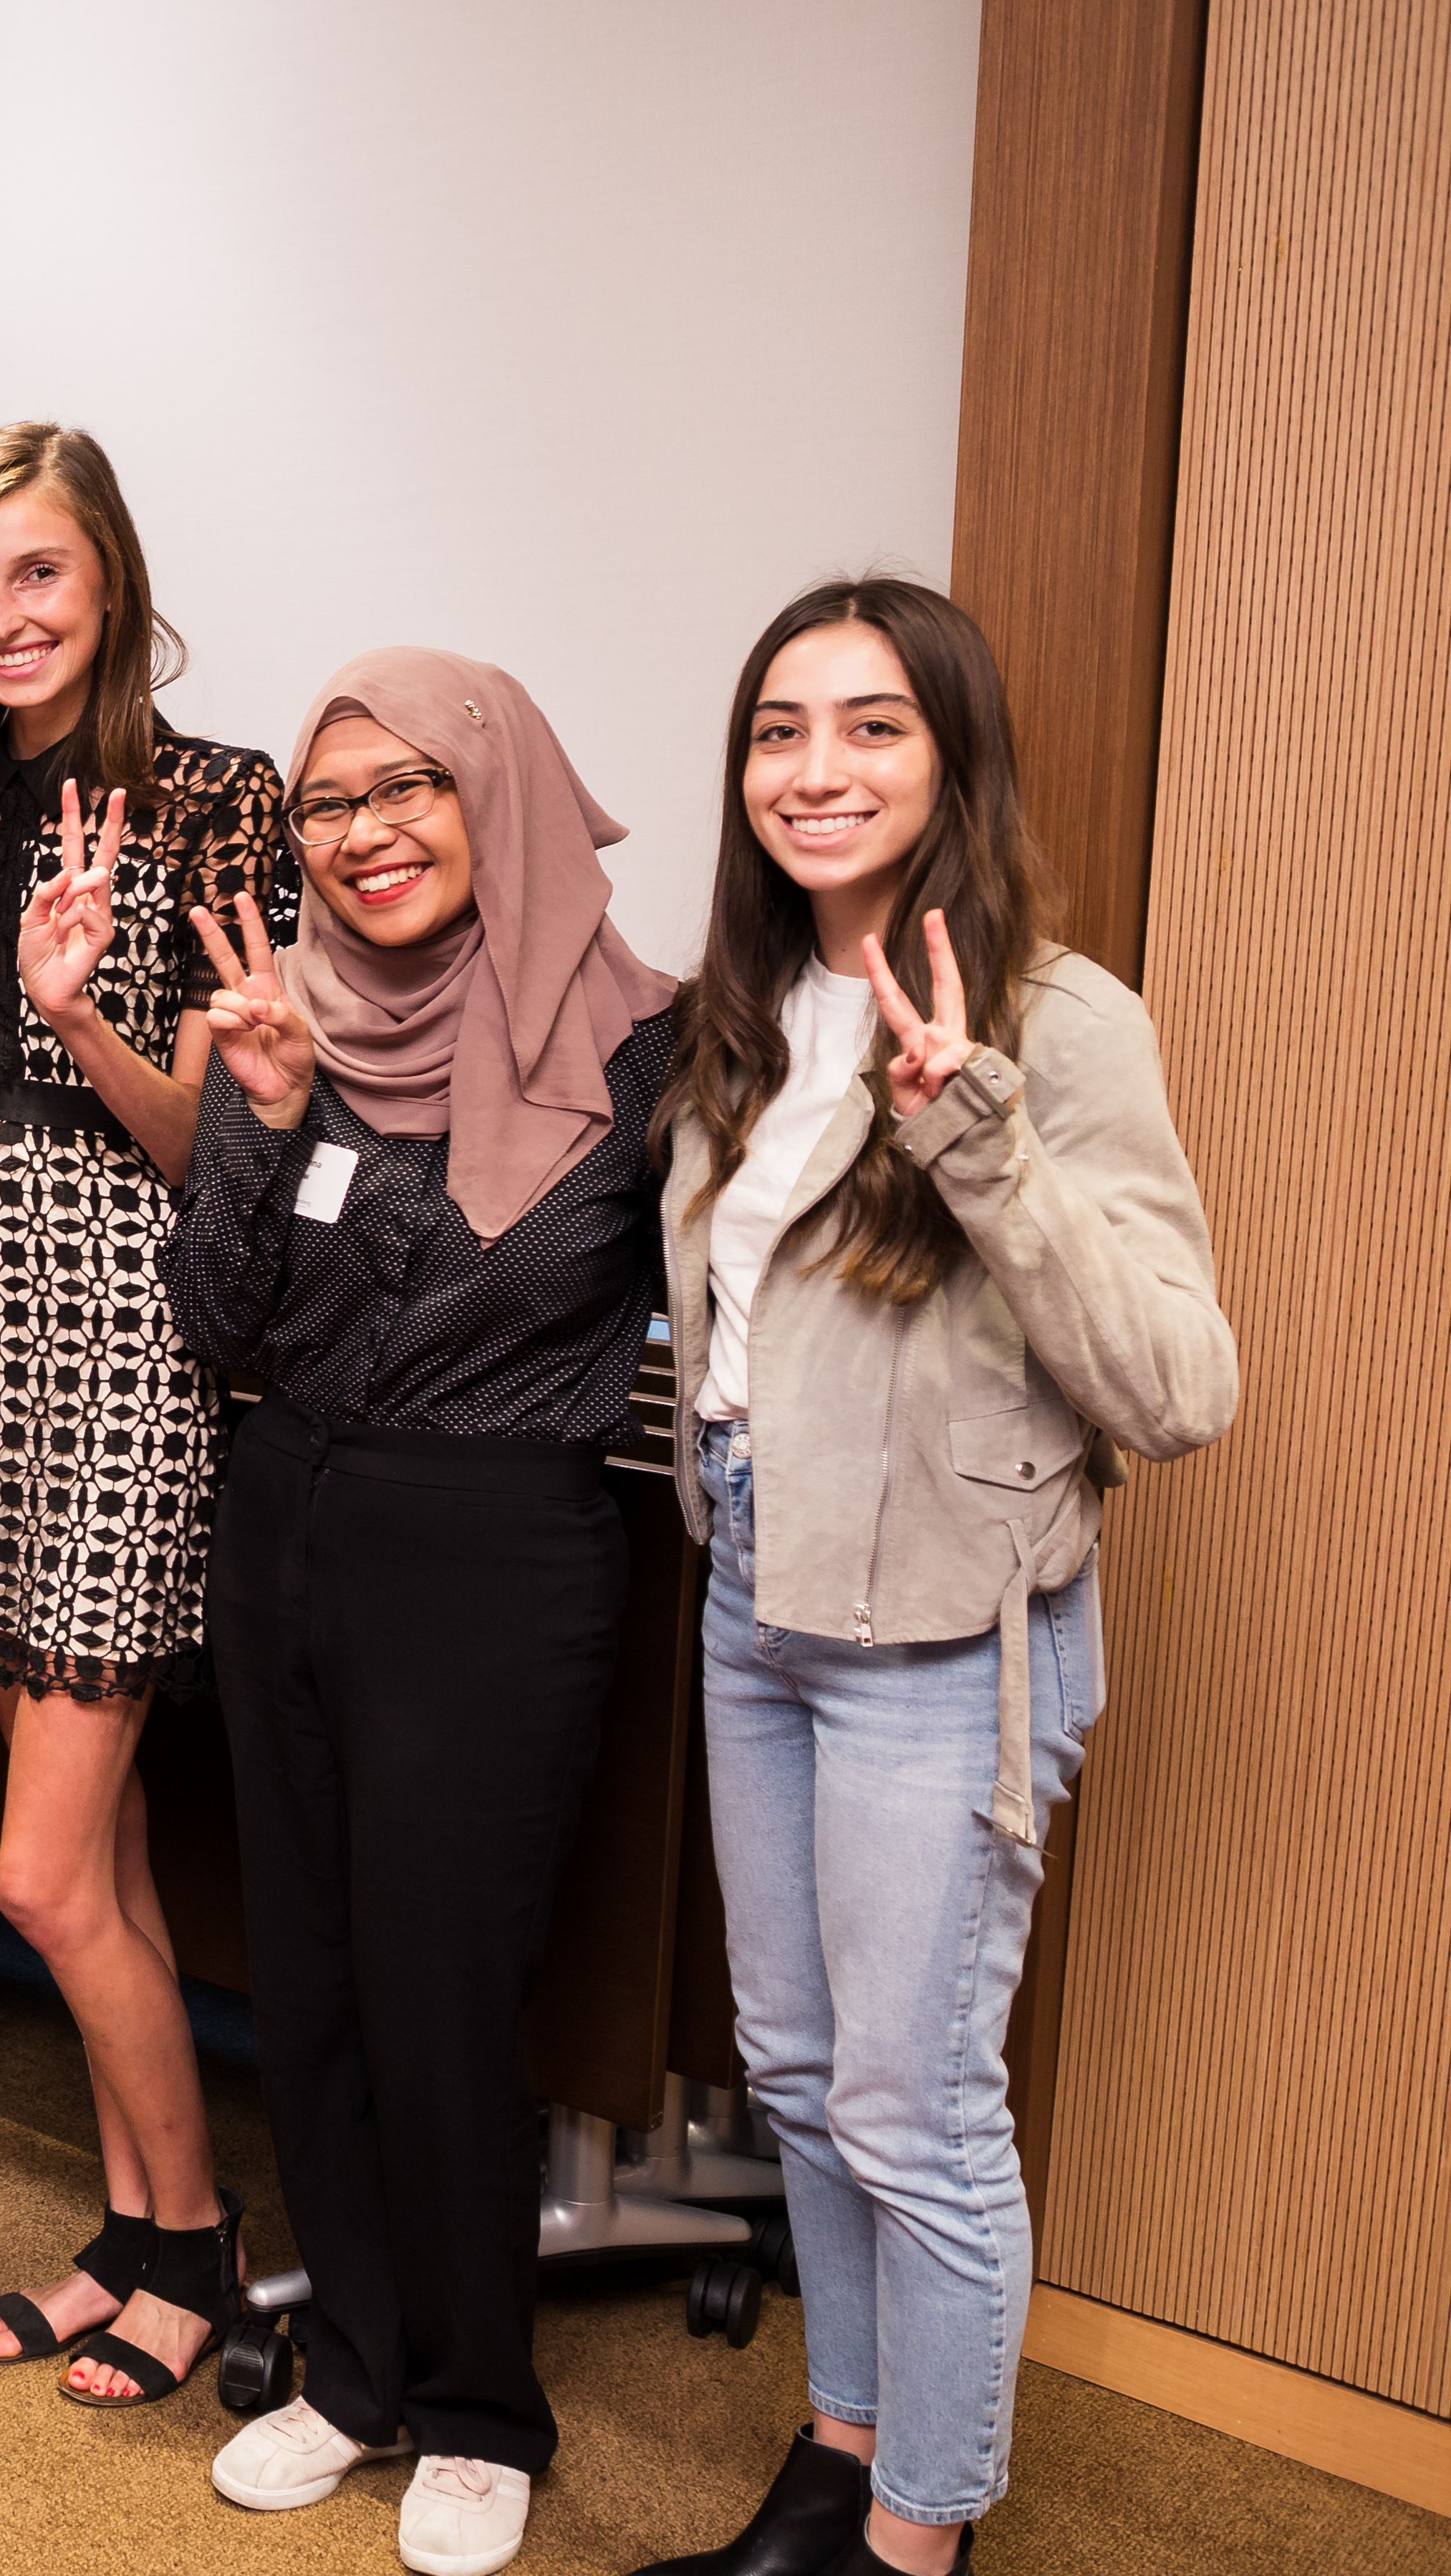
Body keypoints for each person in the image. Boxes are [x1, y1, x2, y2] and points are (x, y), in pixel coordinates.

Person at [631, 582, 1234, 2576]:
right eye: (780, 731)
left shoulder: (1060, 1017)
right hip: (755, 1593)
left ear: (952, 758)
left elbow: (1178, 1381)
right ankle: (840, 2465)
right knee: (794, 2080)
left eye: (873, 727)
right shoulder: (749, 1006)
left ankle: (921, 2544)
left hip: (941, 1640)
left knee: (916, 2112)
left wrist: (975, 1133)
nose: (818, 770)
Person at [161, 649, 679, 2576]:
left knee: (446, 1992)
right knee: (304, 1980)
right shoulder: (284, 1021)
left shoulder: (647, 1048)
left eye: (410, 789)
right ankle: (360, 2368)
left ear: (503, 796)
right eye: (328, 803)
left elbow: (575, 1297)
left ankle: (478, 2408)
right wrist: (270, 1118)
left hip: (500, 1550)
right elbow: (220, 1321)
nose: (364, 835)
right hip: (283, 1518)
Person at [0, 423, 289, 2408]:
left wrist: (75, 1018)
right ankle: (132, 2233)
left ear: (110, 579)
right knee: (97, 1858)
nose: (3, 619)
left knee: (37, 1874)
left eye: (36, 575)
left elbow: (218, 1142)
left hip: (128, 1331)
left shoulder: (221, 803)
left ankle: (202, 2238)